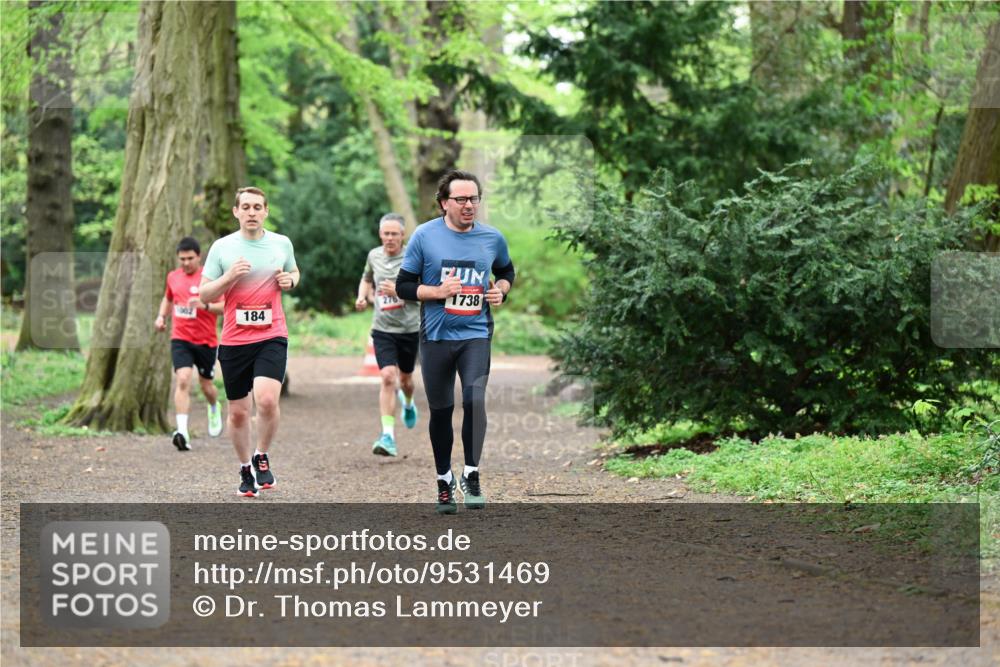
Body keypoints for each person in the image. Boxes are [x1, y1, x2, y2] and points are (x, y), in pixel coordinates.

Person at [396, 170, 515, 513]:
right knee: (441, 411)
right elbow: (404, 285)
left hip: (476, 334)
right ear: (444, 203)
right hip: (436, 337)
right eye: (461, 199)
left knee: (475, 401)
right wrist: (437, 292)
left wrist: (500, 291)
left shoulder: (492, 238)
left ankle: (472, 474)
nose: (469, 205)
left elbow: (507, 272)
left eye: (474, 199)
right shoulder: (424, 236)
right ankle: (444, 479)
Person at [199, 187, 300, 498]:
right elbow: (205, 295)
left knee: (268, 400)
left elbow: (294, 271)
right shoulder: (222, 247)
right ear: (236, 212)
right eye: (246, 206)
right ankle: (245, 467)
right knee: (239, 412)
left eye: (258, 206)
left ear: (266, 211)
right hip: (234, 339)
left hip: (272, 334)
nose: (252, 212)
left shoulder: (281, 243)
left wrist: (291, 280)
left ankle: (261, 454)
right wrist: (229, 277)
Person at [355, 213, 420, 457]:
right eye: (386, 233)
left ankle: (410, 403)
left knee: (406, 381)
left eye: (394, 234)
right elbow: (367, 277)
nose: (389, 238)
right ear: (380, 234)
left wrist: (399, 290)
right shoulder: (374, 255)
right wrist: (362, 296)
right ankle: (388, 436)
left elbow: (424, 290)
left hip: (409, 329)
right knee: (387, 377)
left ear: (403, 236)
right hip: (382, 328)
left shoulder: (414, 258)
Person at [154, 236, 224, 451]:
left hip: (206, 341)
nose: (185, 263)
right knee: (183, 379)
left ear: (199, 257)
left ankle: (214, 406)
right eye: (182, 259)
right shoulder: (173, 277)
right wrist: (161, 317)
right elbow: (168, 298)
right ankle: (182, 431)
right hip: (181, 338)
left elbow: (224, 307)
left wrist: (203, 305)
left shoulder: (209, 278)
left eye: (190, 258)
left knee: (206, 386)